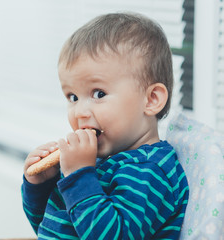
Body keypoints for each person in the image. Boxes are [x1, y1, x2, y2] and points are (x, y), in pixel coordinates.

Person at [21, 12, 189, 239]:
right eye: (73, 97)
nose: (79, 112)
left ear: (151, 100)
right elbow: (53, 227)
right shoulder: (98, 163)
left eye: (98, 94)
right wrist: (41, 185)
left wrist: (79, 176)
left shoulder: (150, 171)